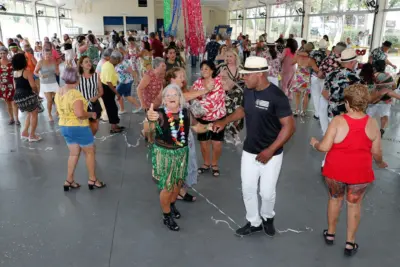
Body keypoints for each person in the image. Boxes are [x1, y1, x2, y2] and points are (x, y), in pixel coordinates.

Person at [213, 57, 295, 236]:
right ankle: (254, 221)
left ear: (260, 74)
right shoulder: (248, 91)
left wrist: (270, 150)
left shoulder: (277, 96)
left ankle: (267, 216)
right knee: (248, 188)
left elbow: (289, 126)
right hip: (250, 150)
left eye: (247, 75)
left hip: (271, 154)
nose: (244, 78)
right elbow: (244, 109)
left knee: (266, 193)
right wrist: (225, 120)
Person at [310, 84, 387, 257]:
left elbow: (324, 147)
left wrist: (314, 143)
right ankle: (350, 243)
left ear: (347, 103)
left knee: (334, 199)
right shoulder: (372, 124)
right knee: (354, 204)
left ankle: (330, 234)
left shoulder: (338, 121)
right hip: (360, 173)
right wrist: (381, 163)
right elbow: (377, 153)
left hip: (335, 171)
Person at [147, 84, 213, 231]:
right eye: (167, 96)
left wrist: (209, 127)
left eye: (174, 95)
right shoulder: (159, 114)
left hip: (181, 154)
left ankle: (171, 205)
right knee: (168, 187)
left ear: (180, 98)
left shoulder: (186, 113)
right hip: (164, 155)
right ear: (163, 100)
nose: (171, 97)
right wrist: (150, 119)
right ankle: (166, 216)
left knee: (177, 184)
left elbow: (197, 127)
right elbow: (148, 130)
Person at [55, 67, 106, 191]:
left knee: (73, 153)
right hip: (78, 126)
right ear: (77, 79)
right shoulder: (75, 94)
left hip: (64, 126)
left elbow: (58, 112)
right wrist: (91, 114)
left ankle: (69, 180)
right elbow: (79, 113)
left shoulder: (60, 91)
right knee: (90, 151)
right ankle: (92, 179)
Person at [192, 60, 226, 177]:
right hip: (203, 118)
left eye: (206, 68)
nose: (203, 71)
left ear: (212, 70)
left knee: (216, 143)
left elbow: (216, 99)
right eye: (202, 69)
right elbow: (192, 97)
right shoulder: (197, 83)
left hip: (218, 118)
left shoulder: (218, 82)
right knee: (203, 143)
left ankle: (214, 164)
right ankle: (206, 163)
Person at [12, 53, 41, 142]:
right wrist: (36, 93)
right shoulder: (27, 72)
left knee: (29, 113)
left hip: (18, 97)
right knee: (34, 114)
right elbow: (33, 86)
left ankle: (25, 132)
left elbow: (15, 87)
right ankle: (32, 135)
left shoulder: (15, 73)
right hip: (27, 95)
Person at [100, 50, 125, 133]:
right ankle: (113, 128)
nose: (118, 63)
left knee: (112, 107)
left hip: (107, 88)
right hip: (107, 89)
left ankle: (115, 125)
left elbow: (110, 77)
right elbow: (109, 82)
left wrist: (116, 80)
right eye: (118, 60)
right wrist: (117, 93)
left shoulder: (108, 64)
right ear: (115, 59)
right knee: (112, 108)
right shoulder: (109, 67)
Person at [77, 56, 104, 135]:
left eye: (89, 61)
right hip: (81, 105)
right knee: (84, 128)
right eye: (86, 62)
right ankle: (87, 144)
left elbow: (101, 91)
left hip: (94, 104)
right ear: (81, 65)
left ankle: (88, 143)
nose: (89, 63)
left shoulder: (96, 75)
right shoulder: (77, 77)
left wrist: (96, 97)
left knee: (95, 128)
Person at [291, 42, 319, 116]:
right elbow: (316, 69)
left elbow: (292, 62)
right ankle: (303, 111)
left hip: (298, 77)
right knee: (305, 95)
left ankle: (296, 110)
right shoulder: (311, 59)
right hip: (306, 78)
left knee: (297, 94)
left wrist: (296, 54)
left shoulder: (298, 56)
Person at [34, 48, 59, 122]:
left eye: (49, 54)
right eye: (46, 54)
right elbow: (35, 72)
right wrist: (39, 75)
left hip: (54, 82)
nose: (47, 55)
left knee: (58, 99)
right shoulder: (40, 62)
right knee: (50, 101)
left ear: (51, 54)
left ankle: (58, 112)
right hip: (45, 83)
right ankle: (49, 114)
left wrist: (57, 71)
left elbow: (56, 71)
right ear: (43, 54)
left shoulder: (53, 61)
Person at [115, 49, 141, 114]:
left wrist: (137, 80)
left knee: (118, 95)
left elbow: (132, 71)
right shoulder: (123, 62)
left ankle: (122, 109)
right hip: (127, 81)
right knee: (127, 96)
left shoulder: (123, 63)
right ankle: (138, 106)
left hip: (125, 82)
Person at [309, 39, 328, 120]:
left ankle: (317, 114)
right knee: (323, 96)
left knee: (316, 95)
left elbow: (310, 62)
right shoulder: (329, 54)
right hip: (325, 77)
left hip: (315, 76)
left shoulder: (313, 53)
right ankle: (323, 113)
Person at [0, 47, 19, 125]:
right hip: (3, 86)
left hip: (12, 84)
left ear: (7, 53)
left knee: (14, 102)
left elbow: (16, 73)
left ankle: (17, 119)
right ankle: (11, 118)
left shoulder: (12, 62)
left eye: (4, 53)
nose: (2, 55)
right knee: (8, 103)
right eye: (1, 53)